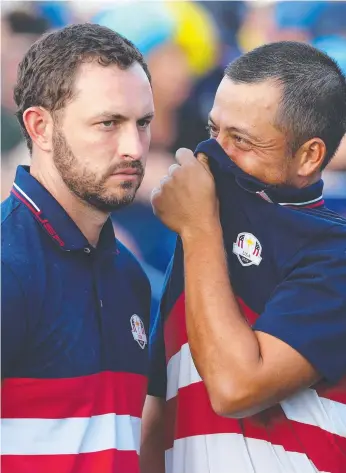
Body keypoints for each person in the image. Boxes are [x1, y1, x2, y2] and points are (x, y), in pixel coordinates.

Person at [141, 41, 346, 473]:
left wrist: (198, 229)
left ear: (309, 156)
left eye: (242, 141)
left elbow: (236, 387)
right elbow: (159, 409)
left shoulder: (335, 254)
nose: (213, 154)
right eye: (214, 130)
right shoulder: (205, 225)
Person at [1, 23, 154, 473]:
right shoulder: (7, 267)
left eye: (142, 123)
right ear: (40, 126)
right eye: (109, 123)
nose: (133, 148)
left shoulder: (129, 275)